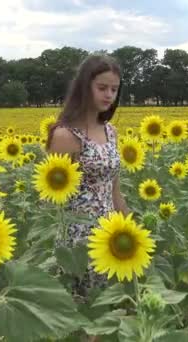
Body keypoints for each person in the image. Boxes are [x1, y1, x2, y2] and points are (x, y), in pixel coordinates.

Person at [45, 54, 130, 339]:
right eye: (102, 87)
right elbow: (53, 191)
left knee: (105, 315)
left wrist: (130, 228)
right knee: (83, 318)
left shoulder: (111, 132)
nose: (109, 95)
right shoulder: (66, 136)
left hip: (110, 236)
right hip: (79, 240)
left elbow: (114, 189)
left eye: (114, 89)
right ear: (85, 87)